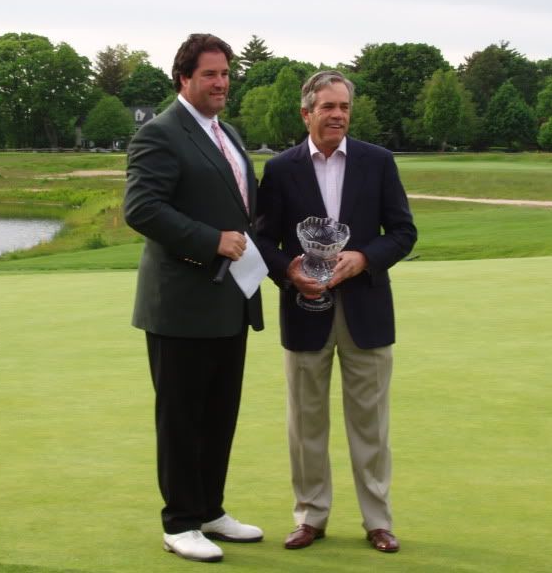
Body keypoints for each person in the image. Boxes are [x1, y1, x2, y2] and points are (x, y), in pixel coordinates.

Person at [256, 70, 416, 553]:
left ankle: (377, 521)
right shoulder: (282, 169)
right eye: (327, 107)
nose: (338, 115)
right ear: (306, 113)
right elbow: (262, 239)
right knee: (306, 423)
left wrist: (364, 257)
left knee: (371, 425)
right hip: (305, 310)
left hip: (366, 312)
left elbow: (404, 233)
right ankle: (310, 516)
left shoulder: (379, 162)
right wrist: (289, 270)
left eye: (344, 107)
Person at [123, 33, 264, 564]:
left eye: (226, 73)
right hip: (181, 305)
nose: (222, 83)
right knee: (182, 417)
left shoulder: (225, 132)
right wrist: (212, 241)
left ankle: (209, 510)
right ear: (183, 78)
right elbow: (142, 208)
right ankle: (179, 521)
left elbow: (240, 206)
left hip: (229, 300)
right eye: (210, 74)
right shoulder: (162, 133)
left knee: (219, 413)